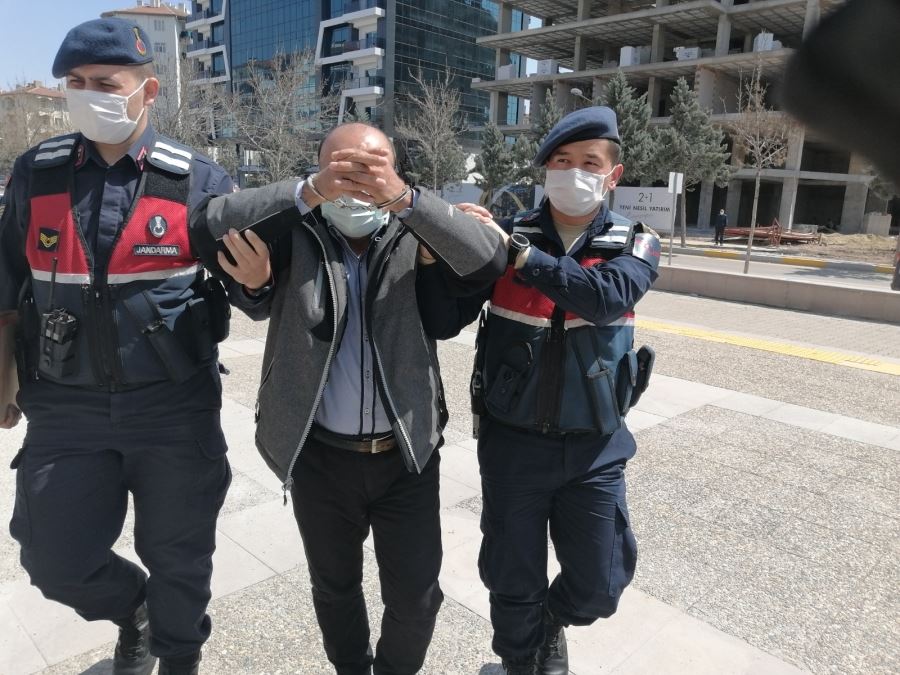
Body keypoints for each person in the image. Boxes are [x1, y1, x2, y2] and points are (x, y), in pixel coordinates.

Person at [197, 122, 508, 674]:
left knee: (415, 595)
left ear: (396, 170)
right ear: (317, 171)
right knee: (334, 588)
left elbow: (488, 258)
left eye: (373, 165)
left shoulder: (418, 228)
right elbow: (209, 223)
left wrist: (411, 202)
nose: (357, 178)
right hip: (319, 457)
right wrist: (302, 202)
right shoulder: (296, 229)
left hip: (405, 456)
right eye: (341, 166)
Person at [0, 19, 235, 675]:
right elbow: (5, 284)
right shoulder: (36, 173)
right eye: (74, 84)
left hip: (174, 407)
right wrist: (2, 385)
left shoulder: (198, 181)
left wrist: (261, 277)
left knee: (181, 555)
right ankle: (134, 607)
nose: (87, 95)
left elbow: (256, 289)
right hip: (65, 409)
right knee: (52, 557)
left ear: (148, 90)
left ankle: (178, 656)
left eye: (105, 83)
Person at [417, 107, 661, 674]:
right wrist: (441, 255)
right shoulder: (504, 237)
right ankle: (520, 659)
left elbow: (602, 298)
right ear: (544, 171)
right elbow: (443, 320)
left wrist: (522, 257)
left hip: (595, 446)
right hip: (514, 444)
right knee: (511, 575)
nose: (574, 172)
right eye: (561, 162)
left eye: (588, 164)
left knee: (600, 581)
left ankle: (554, 621)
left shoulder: (636, 242)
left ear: (613, 175)